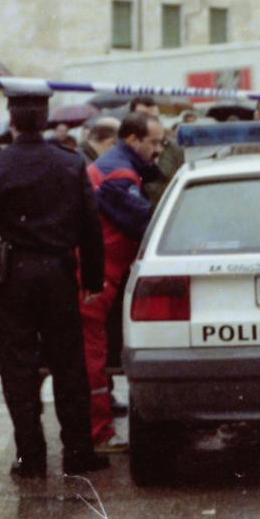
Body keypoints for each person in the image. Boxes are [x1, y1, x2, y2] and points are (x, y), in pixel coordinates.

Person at [0, 86, 110, 479]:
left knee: (18, 367)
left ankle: (31, 455)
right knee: (69, 365)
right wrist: (93, 278)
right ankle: (77, 450)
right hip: (59, 275)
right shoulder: (70, 163)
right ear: (46, 121)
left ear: (11, 119)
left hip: (13, 279)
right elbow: (90, 226)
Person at [85, 112, 165, 452]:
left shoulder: (116, 166)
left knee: (94, 352)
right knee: (91, 354)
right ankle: (98, 434)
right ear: (133, 140)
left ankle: (98, 425)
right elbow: (146, 224)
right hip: (96, 278)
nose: (159, 150)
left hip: (99, 274)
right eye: (155, 143)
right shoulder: (119, 176)